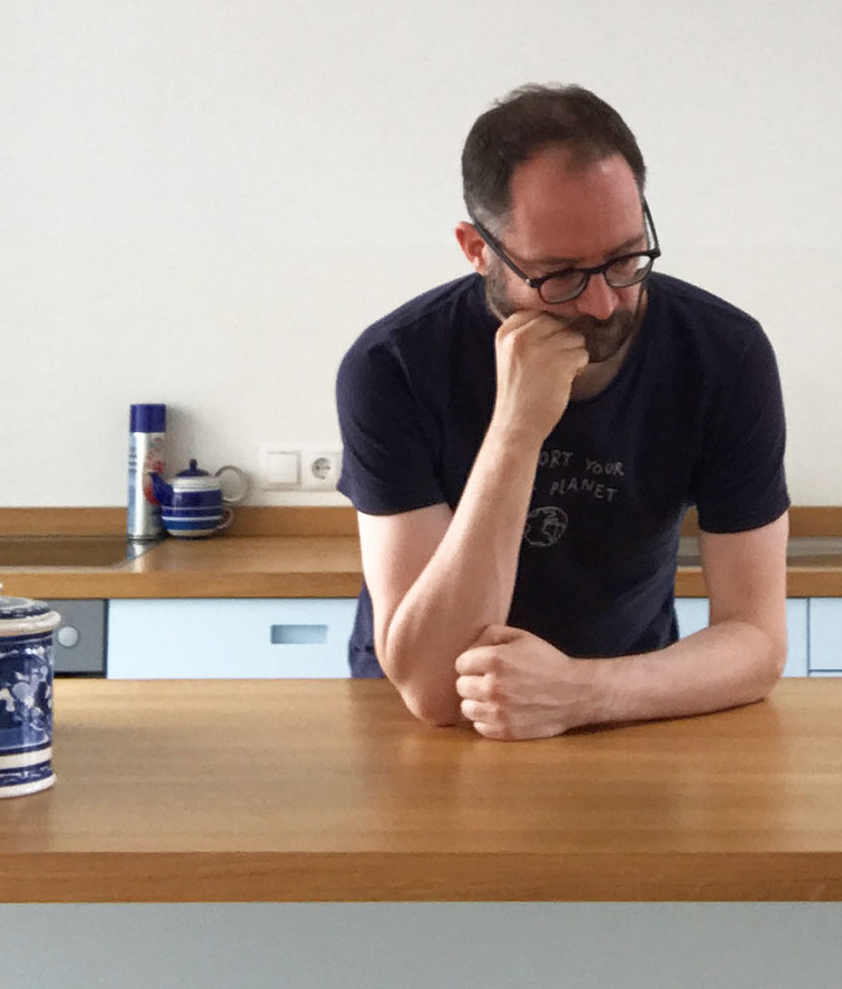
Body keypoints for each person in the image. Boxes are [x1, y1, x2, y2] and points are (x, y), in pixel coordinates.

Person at [334, 83, 790, 740]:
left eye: (627, 258)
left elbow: (756, 641)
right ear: (477, 249)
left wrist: (581, 693)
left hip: (628, 709)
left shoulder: (725, 355)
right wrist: (516, 429)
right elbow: (433, 689)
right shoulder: (392, 367)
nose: (604, 304)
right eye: (561, 276)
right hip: (421, 732)